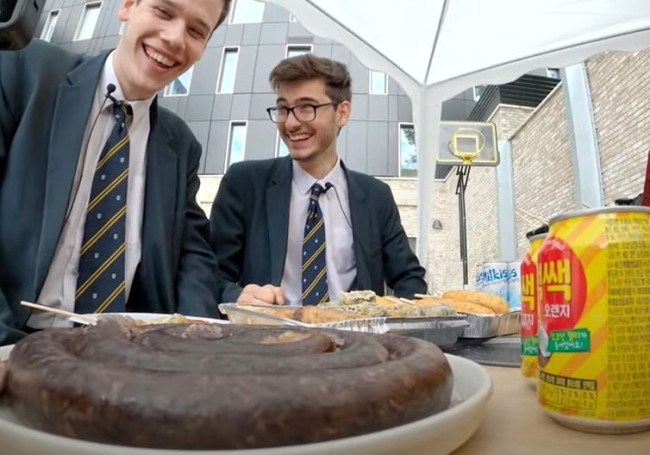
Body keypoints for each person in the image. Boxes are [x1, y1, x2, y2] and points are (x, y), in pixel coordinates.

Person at [0, 0, 232, 345]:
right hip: (18, 342)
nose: (174, 38)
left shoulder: (180, 144)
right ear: (127, 6)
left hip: (128, 354)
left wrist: (193, 340)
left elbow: (192, 255)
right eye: (163, 12)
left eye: (196, 31)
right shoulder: (23, 70)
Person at [210, 54, 427, 305]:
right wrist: (236, 296)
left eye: (306, 107)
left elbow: (410, 279)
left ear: (342, 113)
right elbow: (210, 273)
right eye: (283, 109)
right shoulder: (245, 184)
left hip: (354, 341)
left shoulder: (376, 196)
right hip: (270, 339)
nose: (290, 123)